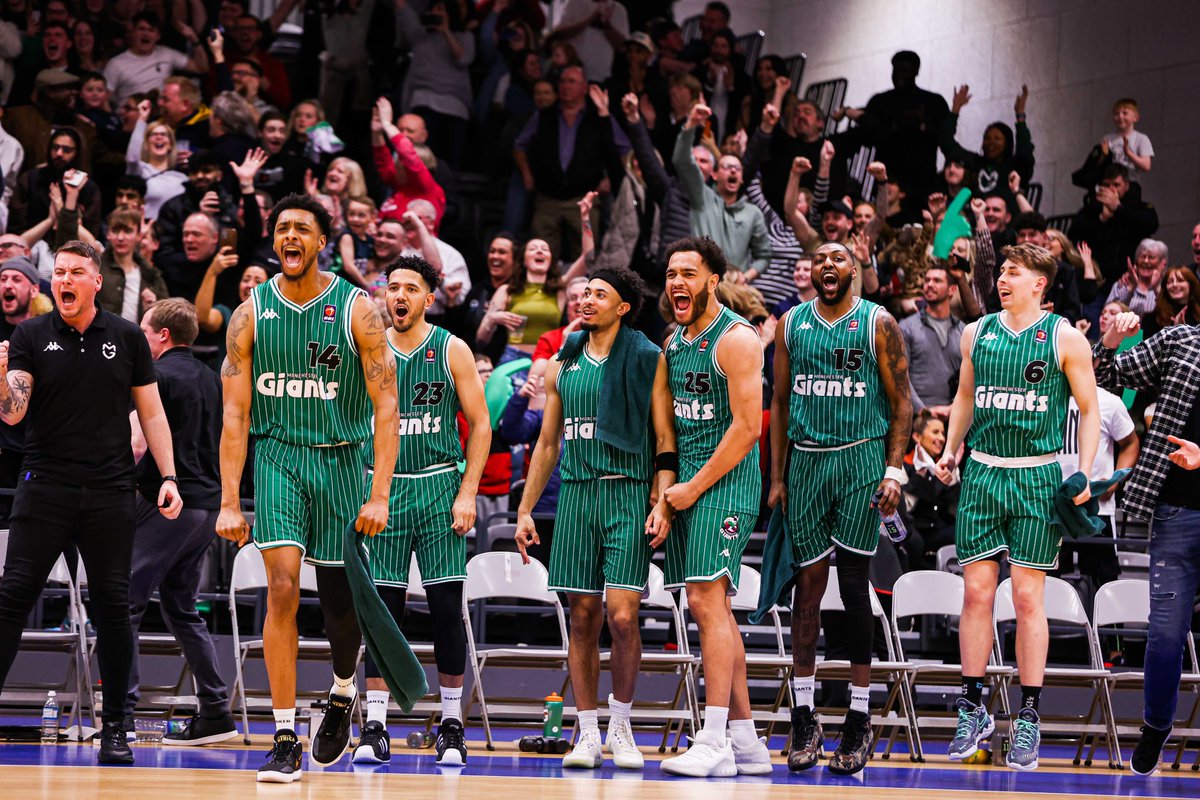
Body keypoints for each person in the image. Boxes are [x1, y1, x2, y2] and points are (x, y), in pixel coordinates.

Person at [216, 194, 400, 783]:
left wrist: (379, 493)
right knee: (282, 585)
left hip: (343, 463)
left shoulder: (357, 310)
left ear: (323, 241)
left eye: (303, 229)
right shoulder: (250, 313)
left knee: (340, 605)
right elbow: (235, 417)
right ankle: (284, 734)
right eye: (282, 229)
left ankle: (344, 691)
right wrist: (227, 500)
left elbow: (387, 403)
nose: (290, 237)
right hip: (278, 459)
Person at [0, 240, 184, 765]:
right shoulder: (31, 334)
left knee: (113, 608)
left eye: (75, 272)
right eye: (58, 272)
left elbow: (151, 415)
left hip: (109, 492)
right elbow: (13, 413)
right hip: (45, 487)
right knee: (12, 597)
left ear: (96, 282)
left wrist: (167, 475)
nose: (64, 280)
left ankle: (116, 729)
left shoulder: (127, 338)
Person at [935, 243, 1100, 771]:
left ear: (1040, 284)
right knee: (976, 593)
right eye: (1002, 272)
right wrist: (948, 450)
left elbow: (1091, 407)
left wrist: (1085, 472)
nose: (1003, 279)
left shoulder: (1065, 338)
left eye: (1015, 272)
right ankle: (972, 705)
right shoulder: (975, 332)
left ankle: (1028, 713)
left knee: (1029, 599)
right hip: (982, 471)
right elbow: (964, 397)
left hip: (1036, 476)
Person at [514, 265, 675, 771]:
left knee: (624, 616)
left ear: (623, 307)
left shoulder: (649, 358)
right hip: (578, 497)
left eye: (598, 294)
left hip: (627, 495)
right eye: (583, 293)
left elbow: (666, 439)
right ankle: (586, 732)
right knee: (582, 617)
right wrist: (524, 508)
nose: (585, 300)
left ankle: (621, 725)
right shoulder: (563, 363)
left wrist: (662, 500)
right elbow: (547, 443)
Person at [768, 241, 913, 775]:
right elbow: (779, 402)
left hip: (860, 462)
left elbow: (901, 402)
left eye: (838, 258)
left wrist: (894, 469)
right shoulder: (791, 324)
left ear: (855, 270)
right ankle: (803, 714)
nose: (828, 265)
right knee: (807, 586)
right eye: (820, 259)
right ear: (810, 271)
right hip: (806, 462)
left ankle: (858, 714)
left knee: (854, 585)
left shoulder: (878, 322)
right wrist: (778, 476)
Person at [352, 255, 490, 767]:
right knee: (382, 614)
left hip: (438, 486)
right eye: (392, 288)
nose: (400, 295)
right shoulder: (369, 349)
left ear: (429, 298)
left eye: (411, 288)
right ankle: (375, 725)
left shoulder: (451, 348)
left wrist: (468, 491)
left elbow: (481, 424)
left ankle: (451, 724)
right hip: (382, 490)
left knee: (445, 611)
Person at [656, 236, 772, 778]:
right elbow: (671, 430)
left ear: (712, 279)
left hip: (724, 485)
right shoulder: (675, 340)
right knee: (716, 609)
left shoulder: (738, 339)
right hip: (690, 487)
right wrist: (667, 494)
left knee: (706, 600)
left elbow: (748, 430)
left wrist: (693, 489)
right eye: (671, 273)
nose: (677, 282)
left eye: (688, 274)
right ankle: (748, 743)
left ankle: (714, 736)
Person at [1092, 309, 1200, 775]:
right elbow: (1102, 378)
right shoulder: (1181, 340)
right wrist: (1111, 342)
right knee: (1165, 635)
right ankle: (1156, 726)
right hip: (1176, 511)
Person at [125, 298, 236, 744]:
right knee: (180, 607)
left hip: (168, 504)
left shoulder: (155, 377)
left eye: (145, 331)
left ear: (163, 336)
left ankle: (121, 715)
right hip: (207, 508)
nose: (141, 338)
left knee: (122, 604)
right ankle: (215, 711)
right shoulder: (213, 379)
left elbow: (135, 444)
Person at [1053, 385, 1138, 599]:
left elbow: (1130, 444)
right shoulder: (1044, 395)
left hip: (1096, 508)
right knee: (1045, 584)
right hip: (1051, 508)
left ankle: (1110, 634)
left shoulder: (1109, 401)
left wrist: (1113, 482)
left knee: (1105, 585)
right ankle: (1044, 634)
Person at [673, 102, 771, 282]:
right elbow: (682, 161)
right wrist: (691, 124)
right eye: (727, 167)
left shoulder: (753, 213)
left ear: (742, 178)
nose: (733, 171)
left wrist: (746, 276)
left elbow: (764, 255)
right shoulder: (701, 196)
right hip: (699, 282)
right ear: (715, 174)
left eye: (737, 169)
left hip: (733, 289)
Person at [900, 264, 965, 417]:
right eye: (927, 280)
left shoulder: (963, 330)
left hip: (953, 417)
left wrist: (954, 409)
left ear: (952, 290)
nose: (929, 285)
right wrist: (923, 411)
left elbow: (969, 379)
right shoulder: (907, 327)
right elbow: (899, 376)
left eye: (937, 281)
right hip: (916, 419)